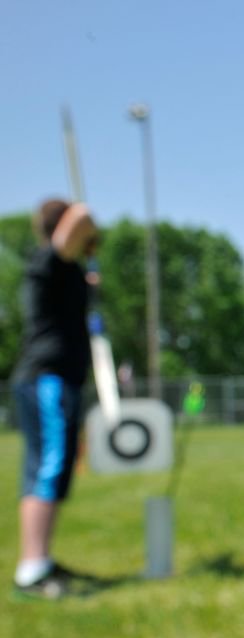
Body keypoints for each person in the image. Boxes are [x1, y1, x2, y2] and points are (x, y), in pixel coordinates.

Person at [12, 199, 99, 598]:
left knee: (52, 467)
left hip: (56, 379)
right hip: (47, 378)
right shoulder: (49, 260)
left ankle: (40, 559)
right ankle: (32, 568)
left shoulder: (65, 268)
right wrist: (85, 224)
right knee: (48, 467)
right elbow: (80, 214)